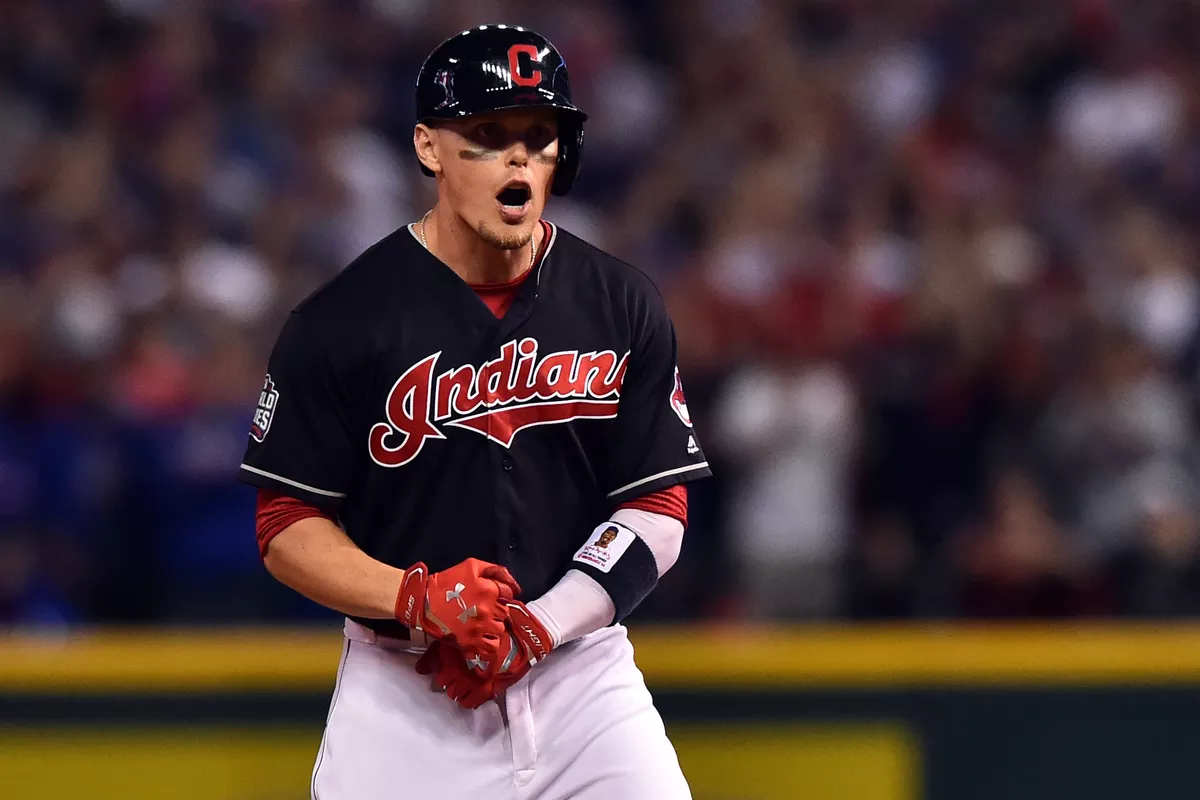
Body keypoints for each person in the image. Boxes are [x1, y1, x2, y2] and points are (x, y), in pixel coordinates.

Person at [238, 24, 711, 799]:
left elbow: (658, 509)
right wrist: (415, 598)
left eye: (537, 135)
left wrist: (541, 624)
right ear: (429, 147)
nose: (518, 159)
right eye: (488, 136)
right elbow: (285, 525)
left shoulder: (619, 302)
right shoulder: (341, 320)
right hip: (407, 688)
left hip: (582, 680)